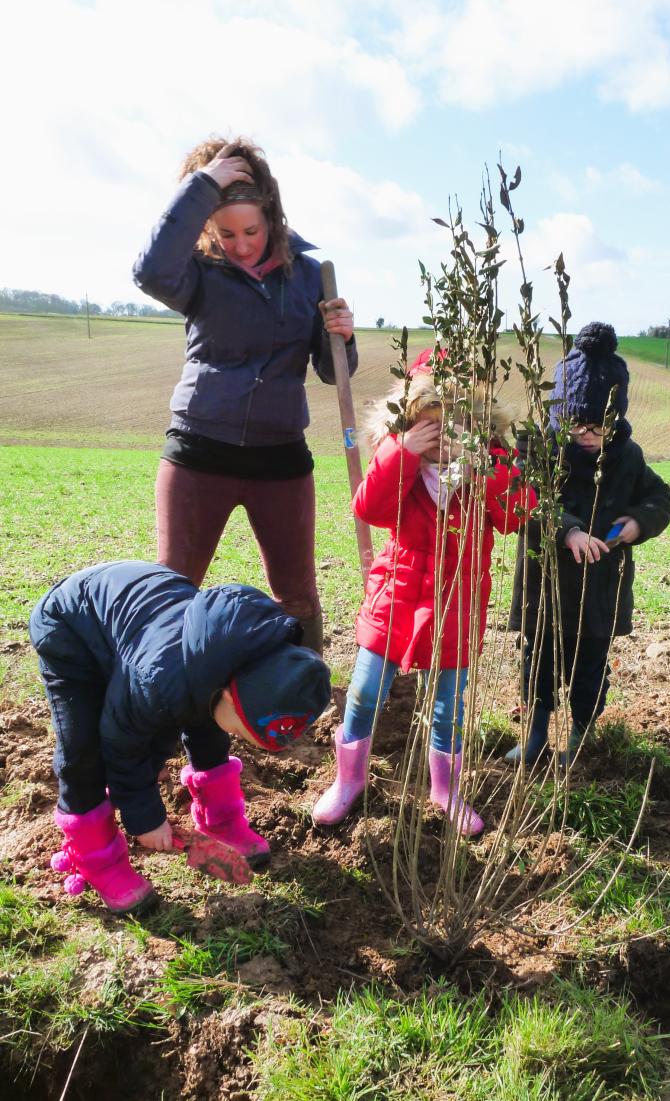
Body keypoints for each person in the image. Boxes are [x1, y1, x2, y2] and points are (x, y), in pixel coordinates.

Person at [133, 136, 358, 656]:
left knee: (297, 594)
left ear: (272, 216)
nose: (240, 244)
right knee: (172, 589)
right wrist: (203, 184)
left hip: (280, 459)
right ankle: (163, 701)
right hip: (198, 452)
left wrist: (341, 336)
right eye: (225, 231)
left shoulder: (308, 275)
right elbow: (149, 272)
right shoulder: (196, 273)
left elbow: (332, 371)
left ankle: (299, 693)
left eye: (251, 230)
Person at [312, 349, 536, 835]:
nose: (441, 440)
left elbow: (517, 515)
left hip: (457, 598)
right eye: (429, 427)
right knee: (365, 691)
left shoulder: (490, 459)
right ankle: (348, 781)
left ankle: (446, 790)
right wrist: (404, 451)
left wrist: (484, 471)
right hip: (396, 591)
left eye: (450, 427)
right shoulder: (398, 451)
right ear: (412, 419)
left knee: (448, 705)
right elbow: (369, 507)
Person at [29, 561, 331, 914]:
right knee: (84, 750)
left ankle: (219, 820)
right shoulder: (158, 678)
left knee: (206, 725)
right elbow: (121, 740)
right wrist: (147, 820)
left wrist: (155, 767)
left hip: (143, 624)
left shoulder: (240, 664)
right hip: (70, 627)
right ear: (232, 696)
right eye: (239, 731)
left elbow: (201, 725)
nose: (236, 735)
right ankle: (96, 859)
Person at [506, 322, 670, 768]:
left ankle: (581, 737)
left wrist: (638, 523)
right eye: (577, 422)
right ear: (560, 414)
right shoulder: (537, 449)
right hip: (546, 586)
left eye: (599, 425)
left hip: (601, 588)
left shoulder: (628, 455)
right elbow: (526, 499)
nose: (587, 434)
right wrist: (569, 531)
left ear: (615, 418)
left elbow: (661, 499)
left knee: (590, 668)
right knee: (538, 662)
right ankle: (536, 736)